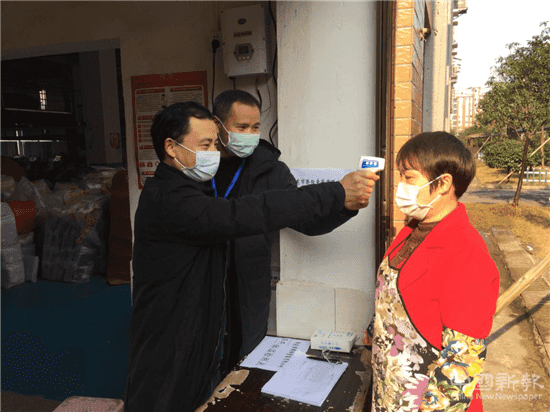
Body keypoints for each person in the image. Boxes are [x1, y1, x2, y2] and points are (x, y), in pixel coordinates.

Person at [124, 101, 379, 412]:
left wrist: (343, 204)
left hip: (218, 319)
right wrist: (335, 192)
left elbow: (288, 214)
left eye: (214, 144)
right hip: (173, 336)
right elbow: (243, 214)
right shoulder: (171, 199)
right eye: (205, 144)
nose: (214, 152)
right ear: (171, 147)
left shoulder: (213, 181)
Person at [211, 89, 372, 375]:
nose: (250, 135)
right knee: (205, 360)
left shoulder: (271, 171)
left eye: (256, 127)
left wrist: (345, 207)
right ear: (218, 125)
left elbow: (306, 220)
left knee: (246, 364)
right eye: (242, 127)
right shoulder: (200, 167)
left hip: (250, 287)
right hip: (206, 284)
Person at [364, 131, 499, 412]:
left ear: (443, 184)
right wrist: (374, 330)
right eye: (401, 176)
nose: (401, 186)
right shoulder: (414, 228)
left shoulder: (467, 253)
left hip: (424, 401)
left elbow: (461, 362)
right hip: (389, 387)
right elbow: (395, 293)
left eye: (409, 177)